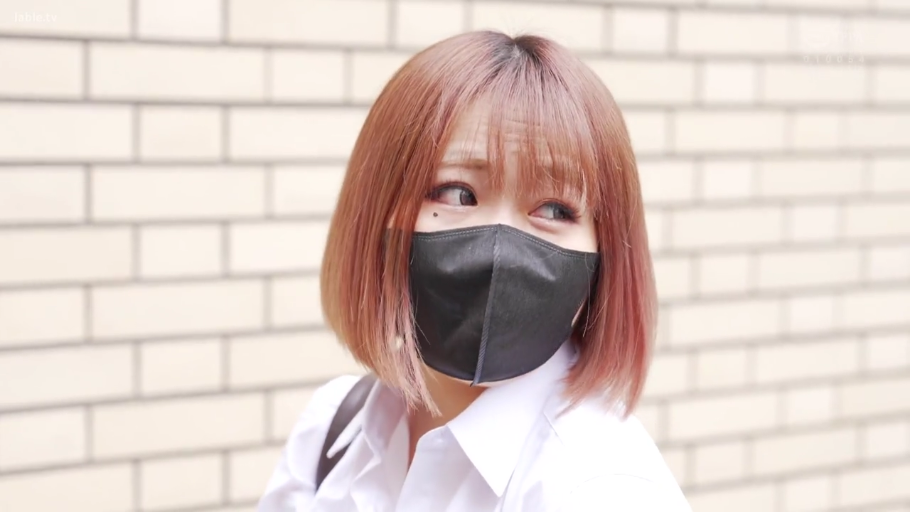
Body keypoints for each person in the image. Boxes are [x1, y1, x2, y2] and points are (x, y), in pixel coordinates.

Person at [257, 30, 691, 512]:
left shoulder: (603, 491)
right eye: (457, 193)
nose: (499, 250)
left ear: (604, 255)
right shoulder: (333, 429)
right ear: (377, 211)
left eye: (554, 209)